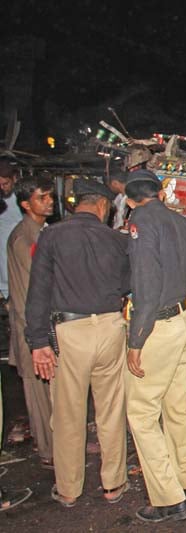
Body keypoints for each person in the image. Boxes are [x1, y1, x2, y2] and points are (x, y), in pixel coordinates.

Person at [25, 178, 130, 508]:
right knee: (111, 411)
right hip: (111, 329)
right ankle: (113, 484)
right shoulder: (118, 239)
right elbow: (128, 283)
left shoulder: (51, 236)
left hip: (70, 333)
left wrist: (38, 340)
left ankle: (69, 489)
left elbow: (38, 291)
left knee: (68, 413)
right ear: (101, 205)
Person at [124, 169, 186, 523]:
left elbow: (145, 283)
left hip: (156, 327)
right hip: (183, 324)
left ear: (129, 199)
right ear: (159, 192)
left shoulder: (140, 221)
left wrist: (136, 340)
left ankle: (168, 499)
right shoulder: (183, 223)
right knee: (176, 406)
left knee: (142, 415)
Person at [7, 176, 55, 468]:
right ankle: (49, 451)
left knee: (51, 393)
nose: (49, 201)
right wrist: (38, 338)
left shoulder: (43, 231)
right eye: (42, 197)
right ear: (26, 204)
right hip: (31, 327)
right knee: (38, 396)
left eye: (50, 196)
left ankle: (58, 443)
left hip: (40, 324)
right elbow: (30, 292)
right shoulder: (25, 238)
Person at [0, 160, 23, 301]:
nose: (2, 188)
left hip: (20, 251)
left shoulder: (23, 198)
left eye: (5, 184)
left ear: (14, 178)